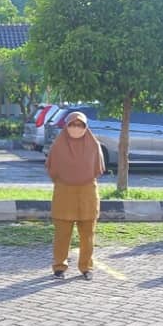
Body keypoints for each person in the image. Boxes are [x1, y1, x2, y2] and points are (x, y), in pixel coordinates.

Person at [45, 111, 105, 280]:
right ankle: (59, 267)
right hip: (64, 194)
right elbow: (53, 170)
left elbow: (97, 169)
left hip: (87, 194)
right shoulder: (58, 145)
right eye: (72, 125)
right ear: (66, 126)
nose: (76, 129)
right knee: (62, 234)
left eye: (80, 125)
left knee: (87, 235)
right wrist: (68, 179)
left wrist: (80, 178)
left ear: (86, 127)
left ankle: (86, 267)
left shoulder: (94, 145)